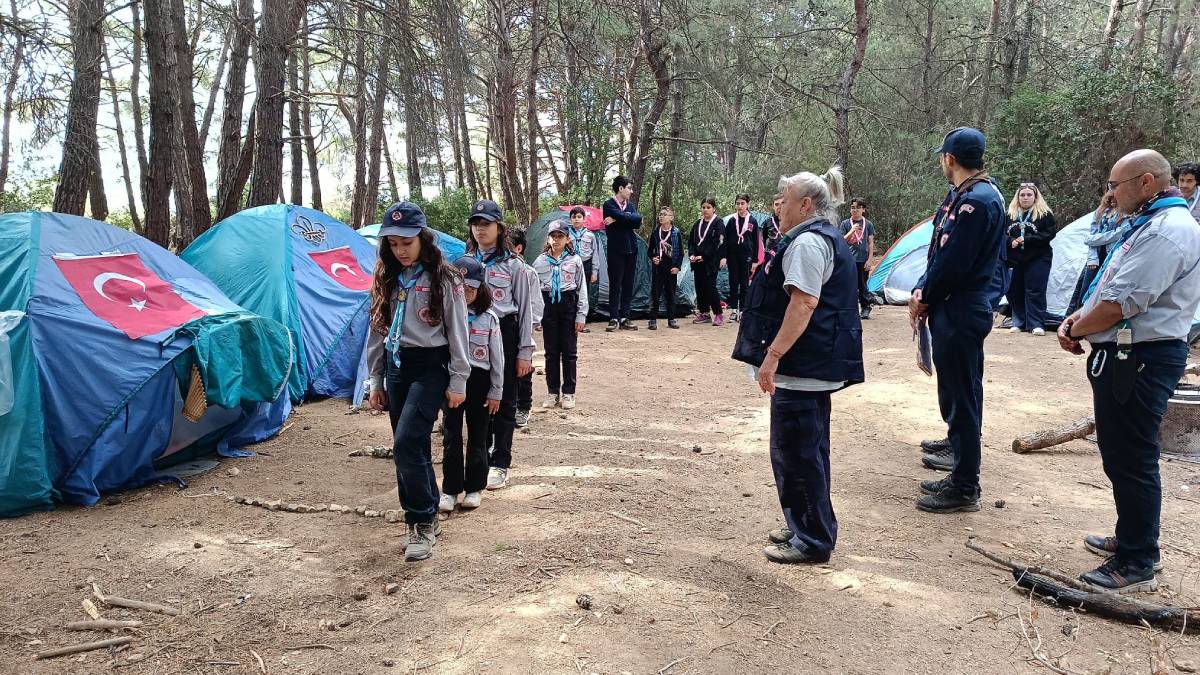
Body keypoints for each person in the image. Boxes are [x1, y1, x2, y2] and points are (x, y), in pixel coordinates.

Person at [1058, 149, 1200, 592]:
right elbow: (1109, 287)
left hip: (1141, 358)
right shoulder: (1147, 224)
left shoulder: (1168, 231)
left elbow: (1121, 304)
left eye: (1114, 185)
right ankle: (1132, 537)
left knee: (1132, 456)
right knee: (1120, 452)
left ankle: (1138, 560)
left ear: (1145, 183)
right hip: (1127, 355)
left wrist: (1076, 328)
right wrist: (1077, 317)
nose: (1110, 194)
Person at [731, 166, 864, 564]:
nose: (779, 208)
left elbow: (803, 303)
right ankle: (807, 524)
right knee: (808, 452)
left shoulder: (808, 243)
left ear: (805, 205)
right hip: (811, 366)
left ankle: (812, 540)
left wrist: (772, 356)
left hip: (804, 368)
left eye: (785, 201)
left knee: (797, 455)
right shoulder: (818, 237)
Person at [908, 127, 1006, 513]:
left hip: (961, 309)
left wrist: (926, 297)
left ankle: (965, 486)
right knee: (959, 392)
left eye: (942, 157)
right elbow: (938, 253)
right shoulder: (966, 194)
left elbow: (954, 263)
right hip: (953, 305)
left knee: (961, 395)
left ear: (949, 159)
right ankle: (959, 456)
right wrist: (922, 288)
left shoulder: (977, 201)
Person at [366, 201, 471, 562]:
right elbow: (377, 329)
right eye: (393, 244)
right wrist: (376, 379)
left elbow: (458, 331)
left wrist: (459, 380)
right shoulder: (386, 277)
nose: (400, 250)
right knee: (414, 447)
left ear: (423, 239)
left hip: (431, 365)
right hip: (397, 365)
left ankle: (420, 521)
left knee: (405, 443)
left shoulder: (445, 278)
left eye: (407, 243)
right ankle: (428, 512)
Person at [465, 199, 535, 491]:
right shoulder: (466, 262)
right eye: (476, 224)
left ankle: (500, 462)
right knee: (479, 397)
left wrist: (525, 351)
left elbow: (525, 309)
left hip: (505, 332)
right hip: (473, 333)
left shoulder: (514, 265)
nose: (480, 229)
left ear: (499, 227)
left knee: (505, 398)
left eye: (486, 224)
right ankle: (481, 456)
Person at [439, 256, 503, 514]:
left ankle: (475, 487)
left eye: (471, 288)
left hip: (479, 380)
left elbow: (497, 359)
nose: (465, 292)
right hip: (453, 381)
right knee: (451, 435)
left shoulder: (489, 318)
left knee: (478, 434)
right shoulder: (444, 315)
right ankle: (450, 490)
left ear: (481, 288)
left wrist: (496, 390)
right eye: (460, 287)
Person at [533, 220, 589, 409]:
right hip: (548, 306)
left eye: (560, 236)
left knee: (569, 352)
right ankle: (552, 392)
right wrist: (537, 317)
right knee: (551, 352)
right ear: (548, 238)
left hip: (568, 305)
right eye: (553, 236)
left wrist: (581, 315)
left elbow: (582, 289)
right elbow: (535, 292)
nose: (556, 240)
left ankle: (569, 393)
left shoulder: (575, 260)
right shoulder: (540, 261)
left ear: (567, 239)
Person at [1004, 183, 1057, 336]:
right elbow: (1001, 233)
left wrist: (1027, 239)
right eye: (1022, 195)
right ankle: (1019, 322)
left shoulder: (1044, 214)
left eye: (1029, 195)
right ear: (1017, 197)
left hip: (1038, 257)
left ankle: (1036, 324)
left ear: (1035, 197)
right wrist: (1010, 241)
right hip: (1015, 259)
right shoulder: (1009, 215)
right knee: (1014, 290)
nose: (1025, 198)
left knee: (1035, 290)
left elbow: (1050, 233)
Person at [506, 228, 541, 428]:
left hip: (523, 326)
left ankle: (523, 406)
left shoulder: (529, 272)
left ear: (518, 248)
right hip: (505, 328)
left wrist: (530, 325)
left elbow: (535, 303)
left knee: (524, 367)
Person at [1067, 192, 1122, 315]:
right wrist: (1092, 258)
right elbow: (1092, 233)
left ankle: (1090, 318)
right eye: (1110, 198)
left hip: (1111, 256)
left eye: (1115, 198)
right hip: (1096, 257)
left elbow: (1119, 233)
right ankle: (1073, 318)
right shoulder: (1101, 212)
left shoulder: (1126, 213)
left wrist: (1093, 239)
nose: (1113, 200)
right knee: (1083, 290)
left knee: (1101, 290)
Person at [602, 176, 642, 331]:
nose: (631, 191)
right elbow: (633, 219)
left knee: (628, 284)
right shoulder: (608, 205)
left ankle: (625, 317)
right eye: (629, 188)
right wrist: (628, 219)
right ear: (620, 188)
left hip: (632, 250)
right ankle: (613, 317)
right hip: (616, 251)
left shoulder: (630, 205)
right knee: (615, 284)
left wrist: (617, 219)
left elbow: (638, 221)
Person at [689, 197, 726, 325]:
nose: (705, 210)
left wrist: (704, 256)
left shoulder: (718, 223)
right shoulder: (697, 224)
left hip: (710, 262)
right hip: (697, 262)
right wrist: (692, 254)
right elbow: (691, 241)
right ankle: (704, 313)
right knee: (699, 287)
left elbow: (718, 243)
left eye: (708, 207)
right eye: (703, 207)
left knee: (710, 287)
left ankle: (718, 314)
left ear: (714, 209)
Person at [724, 193, 760, 322]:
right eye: (737, 203)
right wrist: (724, 256)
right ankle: (734, 310)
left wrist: (755, 260)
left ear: (747, 204)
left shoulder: (752, 221)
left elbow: (756, 242)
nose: (740, 206)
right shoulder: (732, 220)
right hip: (733, 256)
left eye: (742, 203)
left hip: (746, 256)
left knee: (744, 284)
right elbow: (726, 240)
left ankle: (743, 310)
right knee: (733, 283)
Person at [839, 197, 876, 320]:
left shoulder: (868, 224)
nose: (855, 210)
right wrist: (852, 230)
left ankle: (866, 307)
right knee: (849, 285)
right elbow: (842, 240)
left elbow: (870, 243)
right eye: (852, 208)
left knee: (862, 284)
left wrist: (870, 260)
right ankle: (850, 309)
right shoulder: (845, 224)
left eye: (858, 208)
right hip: (848, 260)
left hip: (863, 260)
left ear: (863, 210)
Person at [647, 205, 683, 330]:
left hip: (671, 269)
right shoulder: (655, 232)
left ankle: (671, 319)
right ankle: (652, 320)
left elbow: (681, 253)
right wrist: (653, 258)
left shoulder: (676, 233)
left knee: (671, 294)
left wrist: (677, 267)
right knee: (655, 294)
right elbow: (649, 251)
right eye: (660, 214)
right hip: (658, 268)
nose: (661, 216)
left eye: (664, 214)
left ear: (671, 217)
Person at [568, 206, 598, 333]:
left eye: (579, 217)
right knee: (571, 291)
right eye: (574, 217)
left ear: (584, 219)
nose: (576, 219)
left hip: (586, 266)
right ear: (570, 219)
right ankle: (571, 319)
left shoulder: (590, 235)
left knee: (584, 292)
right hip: (571, 266)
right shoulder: (567, 235)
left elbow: (595, 254)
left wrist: (595, 272)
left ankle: (582, 320)